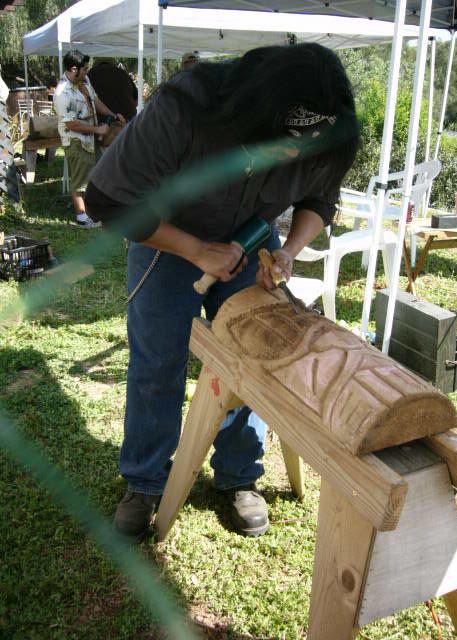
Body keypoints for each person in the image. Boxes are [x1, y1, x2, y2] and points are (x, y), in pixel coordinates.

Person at [85, 43, 359, 543]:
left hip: (252, 239)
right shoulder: (185, 107)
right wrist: (195, 249)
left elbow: (320, 197)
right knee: (157, 361)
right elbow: (109, 201)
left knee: (252, 356)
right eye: (283, 146)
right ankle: (145, 480)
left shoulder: (325, 132)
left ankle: (238, 474)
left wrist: (288, 250)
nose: (293, 158)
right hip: (166, 236)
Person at [53, 50, 126, 228]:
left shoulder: (84, 80)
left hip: (90, 139)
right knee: (80, 180)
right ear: (74, 69)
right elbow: (71, 124)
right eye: (85, 69)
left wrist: (113, 115)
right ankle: (82, 217)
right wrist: (97, 129)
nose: (87, 72)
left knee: (96, 175)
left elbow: (95, 100)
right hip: (75, 140)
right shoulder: (62, 93)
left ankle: (93, 212)